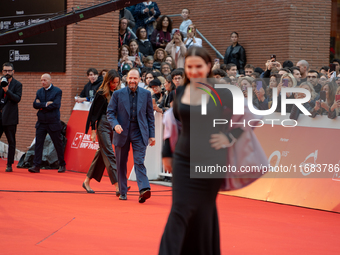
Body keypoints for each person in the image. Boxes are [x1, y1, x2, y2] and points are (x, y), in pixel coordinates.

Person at [159, 46, 244, 254]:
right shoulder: (179, 91)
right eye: (189, 66)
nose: (194, 71)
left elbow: (247, 119)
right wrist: (166, 152)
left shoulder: (223, 93)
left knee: (204, 213)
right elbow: (172, 123)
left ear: (208, 66)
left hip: (211, 160)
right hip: (182, 159)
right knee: (180, 209)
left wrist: (229, 137)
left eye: (199, 66)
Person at [107, 69, 155, 202]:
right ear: (126, 79)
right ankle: (122, 191)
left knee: (139, 161)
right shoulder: (117, 94)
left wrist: (152, 135)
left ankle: (144, 189)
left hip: (139, 132)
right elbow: (110, 112)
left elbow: (150, 116)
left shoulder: (146, 94)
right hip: (121, 131)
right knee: (121, 163)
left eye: (135, 78)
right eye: (130, 78)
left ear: (140, 80)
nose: (132, 81)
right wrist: (115, 124)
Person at [82, 70, 121, 194]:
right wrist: (93, 130)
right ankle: (118, 185)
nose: (115, 85)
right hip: (103, 124)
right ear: (108, 80)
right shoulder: (101, 93)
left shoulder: (117, 92)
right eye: (113, 82)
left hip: (113, 124)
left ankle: (86, 181)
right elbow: (94, 113)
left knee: (101, 153)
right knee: (109, 152)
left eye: (117, 82)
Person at [28, 74, 66, 173]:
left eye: (44, 80)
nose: (43, 82)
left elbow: (56, 105)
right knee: (38, 144)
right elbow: (35, 105)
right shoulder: (39, 91)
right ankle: (36, 166)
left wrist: (41, 106)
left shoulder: (57, 91)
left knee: (57, 144)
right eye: (41, 80)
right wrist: (45, 104)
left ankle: (62, 164)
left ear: (50, 80)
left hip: (53, 122)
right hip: (41, 122)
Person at [0, 62, 22, 172]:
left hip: (10, 118)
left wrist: (7, 91)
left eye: (9, 70)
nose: (7, 72)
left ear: (13, 72)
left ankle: (9, 164)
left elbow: (17, 99)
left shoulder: (17, 84)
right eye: (5, 70)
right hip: (0, 116)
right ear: (2, 72)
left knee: (11, 142)